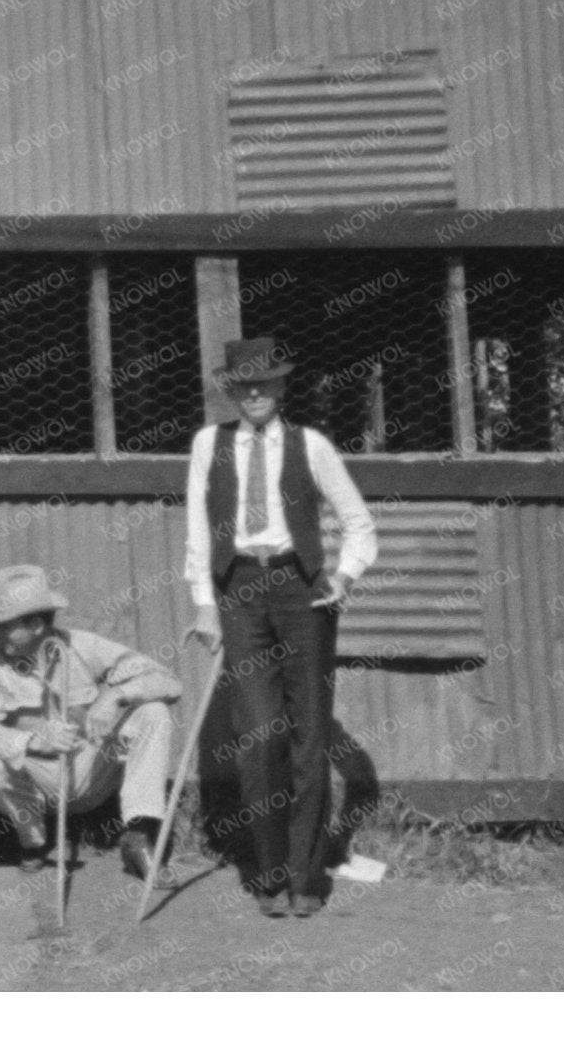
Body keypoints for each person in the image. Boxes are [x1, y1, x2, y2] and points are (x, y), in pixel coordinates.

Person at [182, 334, 378, 918]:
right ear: (231, 391)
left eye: (264, 384)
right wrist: (202, 602)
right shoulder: (207, 445)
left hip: (302, 592)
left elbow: (358, 521)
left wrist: (343, 578)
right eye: (243, 386)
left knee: (308, 736)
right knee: (260, 735)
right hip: (240, 589)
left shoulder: (310, 444)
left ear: (281, 387)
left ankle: (307, 877)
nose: (254, 395)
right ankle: (267, 872)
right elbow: (198, 525)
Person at [0, 563, 183, 875]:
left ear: (37, 624)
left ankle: (140, 833)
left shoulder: (82, 645)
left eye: (4, 625)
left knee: (153, 712)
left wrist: (114, 696)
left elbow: (169, 682)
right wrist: (34, 739)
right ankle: (34, 841)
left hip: (91, 767)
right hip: (38, 777)